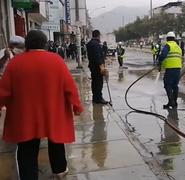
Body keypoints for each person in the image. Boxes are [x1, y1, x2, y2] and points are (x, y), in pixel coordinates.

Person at [0, 30, 83, 180]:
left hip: (26, 116)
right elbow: (70, 87)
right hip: (53, 113)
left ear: (27, 44)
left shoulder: (15, 63)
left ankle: (28, 176)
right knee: (56, 141)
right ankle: (59, 170)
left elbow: (3, 91)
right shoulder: (56, 60)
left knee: (26, 148)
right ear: (45, 44)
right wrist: (77, 106)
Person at [158, 31, 182, 109]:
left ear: (167, 39)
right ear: (174, 38)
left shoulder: (168, 45)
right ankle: (173, 102)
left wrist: (159, 61)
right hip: (178, 69)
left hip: (170, 69)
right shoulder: (178, 47)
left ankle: (171, 102)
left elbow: (163, 55)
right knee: (175, 86)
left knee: (167, 85)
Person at [86, 30, 109, 104]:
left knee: (94, 82)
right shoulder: (96, 44)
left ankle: (95, 98)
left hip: (92, 66)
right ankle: (99, 98)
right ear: (98, 35)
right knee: (99, 83)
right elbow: (97, 56)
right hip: (97, 67)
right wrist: (101, 66)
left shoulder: (89, 43)